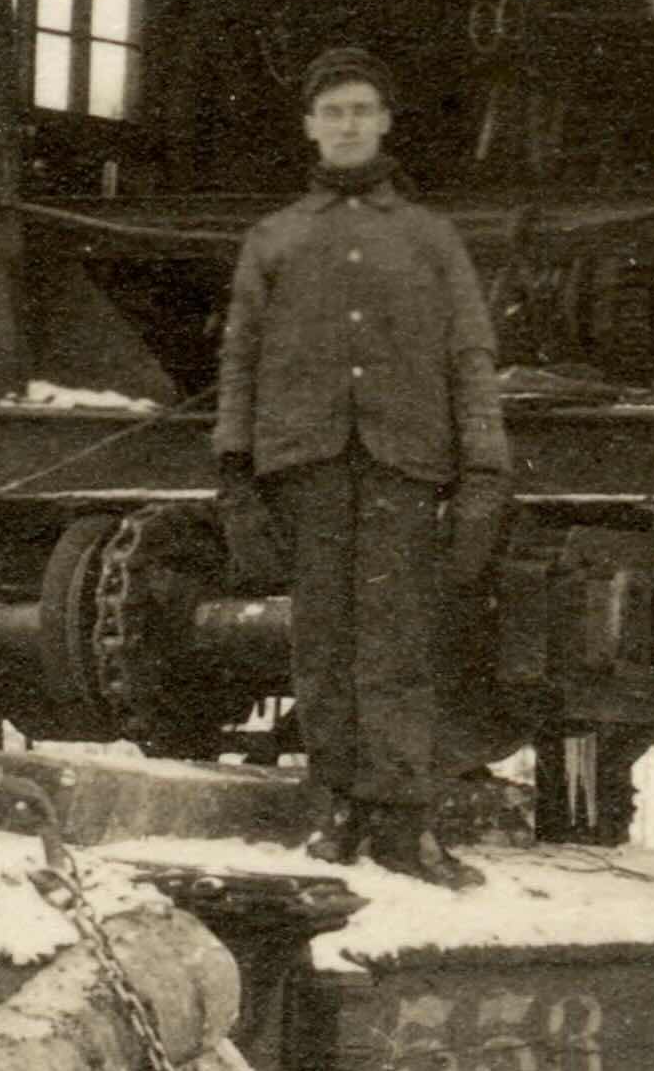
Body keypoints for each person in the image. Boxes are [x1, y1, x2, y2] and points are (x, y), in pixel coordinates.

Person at [207, 48, 511, 881]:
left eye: (360, 110)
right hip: (304, 464)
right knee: (322, 645)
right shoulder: (273, 240)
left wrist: (482, 473)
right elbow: (240, 362)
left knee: (400, 645)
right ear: (310, 125)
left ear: (383, 122)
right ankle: (334, 811)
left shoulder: (428, 239)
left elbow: (470, 358)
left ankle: (405, 824)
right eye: (331, 111)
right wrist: (235, 472)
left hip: (402, 463)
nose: (346, 125)